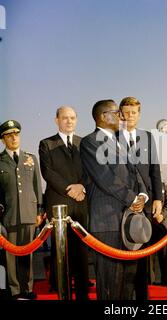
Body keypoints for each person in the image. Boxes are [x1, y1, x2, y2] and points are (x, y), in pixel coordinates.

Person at [80, 99, 148, 300]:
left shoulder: (121, 141)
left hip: (129, 219)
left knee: (128, 279)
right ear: (103, 116)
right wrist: (132, 198)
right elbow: (105, 178)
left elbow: (135, 172)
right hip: (107, 222)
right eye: (117, 112)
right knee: (110, 281)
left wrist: (143, 194)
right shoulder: (90, 142)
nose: (122, 116)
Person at [39, 107, 89, 300]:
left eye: (73, 118)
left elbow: (91, 170)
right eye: (65, 118)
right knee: (62, 253)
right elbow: (48, 172)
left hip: (82, 202)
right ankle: (63, 292)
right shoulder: (47, 144)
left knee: (81, 252)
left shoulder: (83, 143)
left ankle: (83, 293)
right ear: (56, 120)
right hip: (59, 203)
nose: (69, 121)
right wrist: (70, 188)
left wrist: (82, 187)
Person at [118, 96, 163, 299]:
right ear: (120, 114)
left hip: (145, 204)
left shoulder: (147, 137)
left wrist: (158, 199)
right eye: (126, 112)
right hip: (121, 204)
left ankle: (143, 297)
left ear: (139, 114)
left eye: (133, 112)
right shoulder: (111, 138)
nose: (130, 116)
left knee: (143, 254)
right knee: (125, 256)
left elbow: (155, 169)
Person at [0, 120, 44, 300]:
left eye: (16, 134)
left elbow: (37, 186)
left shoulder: (30, 158)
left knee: (28, 253)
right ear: (3, 140)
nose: (13, 138)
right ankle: (14, 291)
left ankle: (27, 288)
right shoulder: (0, 161)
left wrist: (39, 211)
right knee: (10, 257)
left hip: (29, 214)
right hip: (9, 215)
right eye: (9, 135)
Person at [150, 182, 167, 287]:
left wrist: (162, 215)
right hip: (150, 224)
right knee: (150, 256)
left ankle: (166, 279)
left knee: (164, 255)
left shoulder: (163, 186)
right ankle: (150, 281)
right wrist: (153, 216)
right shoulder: (146, 184)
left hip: (162, 224)